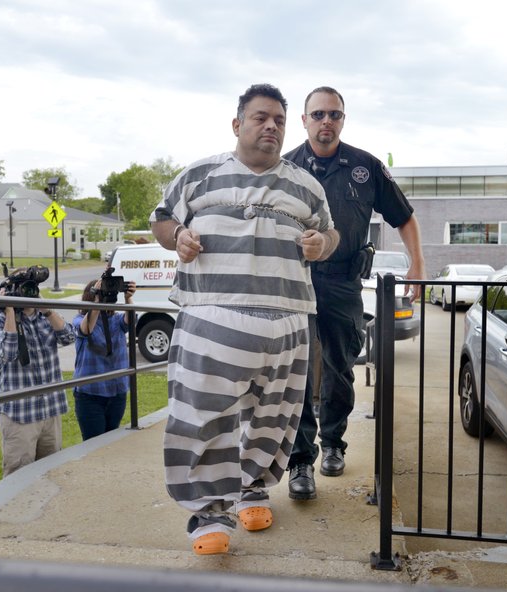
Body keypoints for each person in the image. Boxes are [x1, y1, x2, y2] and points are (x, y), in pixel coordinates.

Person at [150, 83, 339, 555]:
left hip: (288, 322)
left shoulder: (307, 185)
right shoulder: (198, 175)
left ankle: (254, 489)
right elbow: (160, 220)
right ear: (237, 124)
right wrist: (178, 237)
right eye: (260, 117)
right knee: (204, 416)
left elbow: (330, 233)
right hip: (212, 318)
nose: (270, 125)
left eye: (278, 118)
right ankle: (211, 512)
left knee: (275, 417)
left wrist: (322, 244)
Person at [283, 86, 425, 499]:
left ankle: (333, 445)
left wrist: (417, 264)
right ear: (305, 120)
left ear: (343, 120)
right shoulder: (285, 167)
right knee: (298, 372)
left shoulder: (366, 167)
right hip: (296, 281)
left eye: (335, 114)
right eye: (318, 114)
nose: (327, 121)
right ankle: (299, 463)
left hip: (343, 282)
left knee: (340, 368)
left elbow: (405, 218)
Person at [0, 288, 75, 477]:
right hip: (20, 413)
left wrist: (48, 310)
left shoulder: (45, 318)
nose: (28, 292)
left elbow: (69, 337)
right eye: (21, 289)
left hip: (50, 409)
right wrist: (10, 310)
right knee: (18, 478)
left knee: (51, 474)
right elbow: (9, 354)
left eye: (31, 286)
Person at [72, 277, 136, 440]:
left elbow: (130, 322)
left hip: (117, 392)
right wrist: (97, 300)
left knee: (111, 443)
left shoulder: (115, 320)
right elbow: (87, 329)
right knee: (93, 444)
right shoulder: (79, 320)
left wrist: (128, 298)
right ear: (91, 296)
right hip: (91, 395)